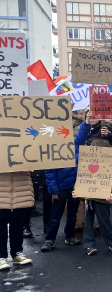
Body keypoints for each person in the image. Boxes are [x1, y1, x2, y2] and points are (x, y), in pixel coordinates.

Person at [41, 108, 84, 252]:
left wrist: (87, 122)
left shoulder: (75, 144)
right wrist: (53, 190)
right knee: (55, 216)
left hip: (74, 185)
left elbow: (82, 135)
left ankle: (70, 236)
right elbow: (49, 171)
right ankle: (50, 239)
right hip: (60, 188)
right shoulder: (52, 147)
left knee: (72, 213)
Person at [0, 170, 34, 269]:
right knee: (1, 225)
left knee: (17, 224)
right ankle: (1, 256)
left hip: (20, 189)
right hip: (2, 190)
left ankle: (17, 253)